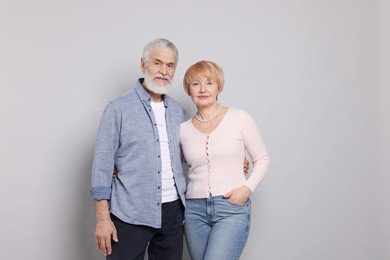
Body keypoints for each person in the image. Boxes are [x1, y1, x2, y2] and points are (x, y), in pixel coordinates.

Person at [90, 38, 187, 260]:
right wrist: (103, 220)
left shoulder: (177, 111)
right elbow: (102, 167)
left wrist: (228, 161)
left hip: (173, 213)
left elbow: (190, 154)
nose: (163, 71)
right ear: (143, 65)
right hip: (130, 213)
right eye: (157, 63)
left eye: (170, 65)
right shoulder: (118, 109)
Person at [180, 60, 270, 260]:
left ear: (219, 86)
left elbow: (262, 158)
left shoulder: (239, 118)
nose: (203, 89)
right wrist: (121, 167)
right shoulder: (182, 129)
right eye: (196, 84)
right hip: (194, 212)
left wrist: (247, 189)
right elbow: (166, 163)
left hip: (230, 208)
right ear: (188, 89)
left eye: (209, 83)